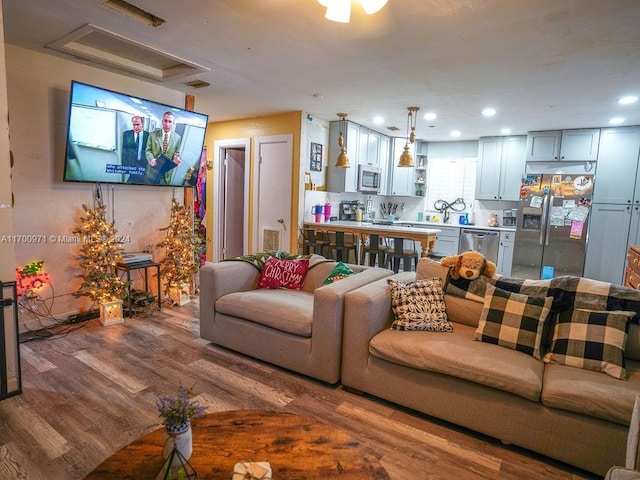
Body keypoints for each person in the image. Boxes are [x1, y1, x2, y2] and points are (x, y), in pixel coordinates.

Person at [145, 111, 182, 185]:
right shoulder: (152, 135)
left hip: (166, 174)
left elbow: (176, 153)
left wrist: (176, 159)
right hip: (153, 170)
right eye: (165, 121)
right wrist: (151, 159)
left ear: (173, 123)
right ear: (162, 121)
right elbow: (148, 150)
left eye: (170, 121)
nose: (167, 124)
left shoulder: (177, 138)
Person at [121, 115, 149, 184]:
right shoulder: (127, 134)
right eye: (134, 125)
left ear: (142, 124)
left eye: (138, 124)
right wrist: (124, 166)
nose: (135, 127)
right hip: (131, 164)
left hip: (143, 164)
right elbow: (124, 151)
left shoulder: (148, 135)